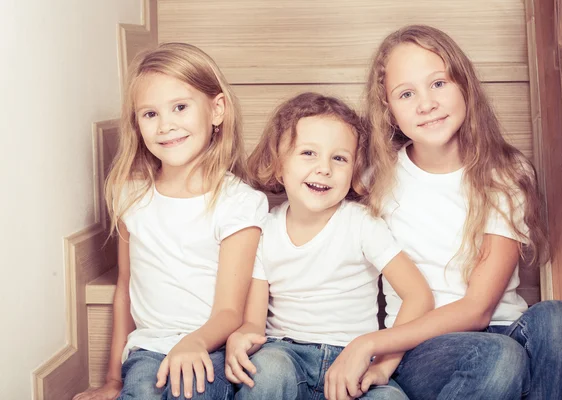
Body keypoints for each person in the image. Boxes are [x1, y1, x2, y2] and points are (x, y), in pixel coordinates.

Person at [324, 25, 562, 400]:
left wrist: (367, 343)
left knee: (558, 318)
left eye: (439, 84)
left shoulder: (504, 172)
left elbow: (479, 309)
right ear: (389, 110)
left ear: (465, 85)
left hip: (502, 329)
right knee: (497, 357)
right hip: (421, 346)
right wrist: (375, 347)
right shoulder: (376, 177)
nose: (426, 104)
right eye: (406, 93)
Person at [73, 42, 268, 400]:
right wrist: (113, 381)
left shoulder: (239, 202)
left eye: (179, 107)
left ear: (217, 110)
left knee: (191, 392)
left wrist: (193, 343)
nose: (166, 126)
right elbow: (125, 288)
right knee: (144, 391)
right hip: (149, 348)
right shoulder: (129, 196)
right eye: (150, 114)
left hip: (211, 348)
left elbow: (229, 310)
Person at [225, 92, 433, 400]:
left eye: (339, 158)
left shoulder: (362, 223)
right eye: (308, 153)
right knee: (267, 370)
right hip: (285, 354)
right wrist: (241, 338)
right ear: (278, 165)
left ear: (354, 171)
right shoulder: (264, 230)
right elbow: (254, 323)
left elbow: (419, 296)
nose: (324, 168)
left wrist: (383, 365)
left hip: (352, 360)